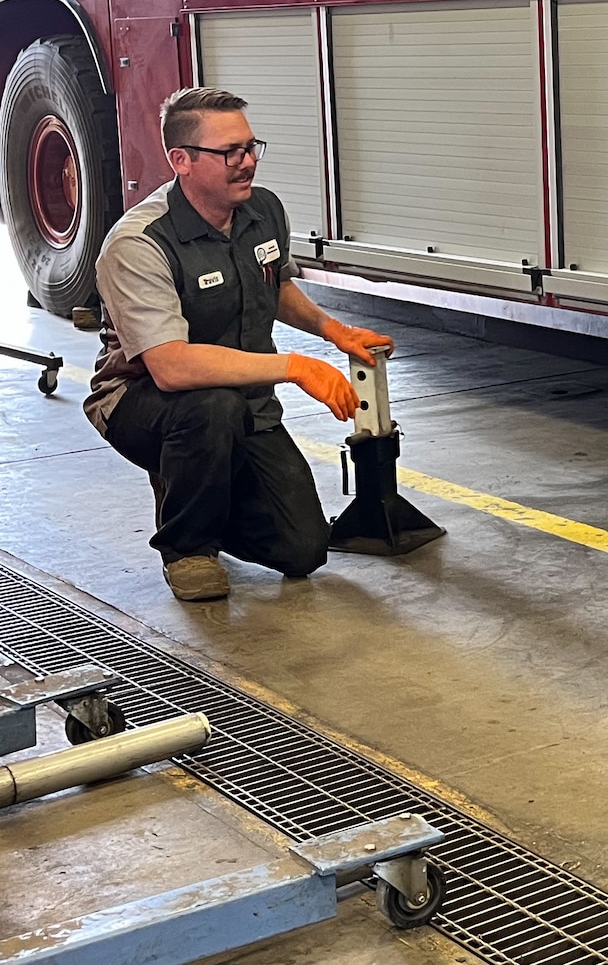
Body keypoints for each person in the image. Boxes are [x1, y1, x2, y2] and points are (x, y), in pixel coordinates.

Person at [85, 88, 393, 602]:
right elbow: (170, 367)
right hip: (145, 401)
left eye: (251, 148)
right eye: (229, 152)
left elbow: (274, 284)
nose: (246, 162)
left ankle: (205, 490)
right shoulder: (139, 243)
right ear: (179, 160)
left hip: (245, 402)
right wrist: (294, 366)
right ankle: (188, 547)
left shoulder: (262, 210)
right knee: (209, 409)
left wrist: (332, 331)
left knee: (303, 550)